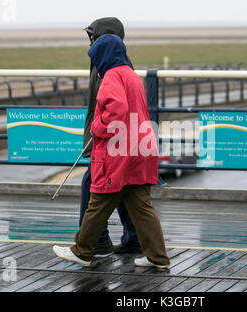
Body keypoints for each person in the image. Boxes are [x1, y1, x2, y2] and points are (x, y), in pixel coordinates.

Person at [53, 34, 170, 269]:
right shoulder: (131, 75)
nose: (95, 61)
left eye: (95, 55)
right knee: (141, 206)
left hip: (119, 152)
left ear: (103, 55)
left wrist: (96, 127)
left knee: (99, 201)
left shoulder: (111, 77)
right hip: (140, 149)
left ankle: (82, 251)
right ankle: (158, 257)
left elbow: (116, 111)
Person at [80, 17, 141, 256]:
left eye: (93, 35)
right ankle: (135, 238)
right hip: (118, 139)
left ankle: (96, 241)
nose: (90, 40)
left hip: (110, 141)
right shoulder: (112, 63)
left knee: (93, 185)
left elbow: (112, 110)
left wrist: (96, 134)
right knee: (127, 188)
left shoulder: (109, 68)